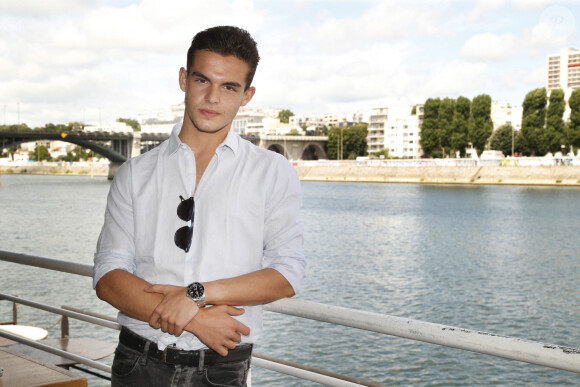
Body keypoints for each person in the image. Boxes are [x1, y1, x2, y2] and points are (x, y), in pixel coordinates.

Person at [93, 25, 306, 387]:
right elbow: (109, 278)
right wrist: (194, 318)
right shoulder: (135, 173)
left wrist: (197, 294)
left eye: (229, 87)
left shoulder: (273, 172)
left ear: (247, 95)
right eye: (202, 80)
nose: (212, 98)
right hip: (137, 363)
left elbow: (288, 274)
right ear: (183, 79)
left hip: (220, 369)